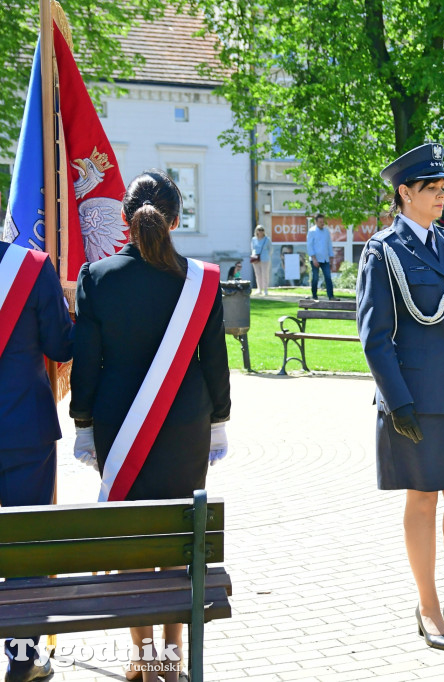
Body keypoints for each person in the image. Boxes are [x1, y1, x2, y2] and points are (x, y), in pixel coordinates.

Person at [69, 169, 231, 682]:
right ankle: (173, 656)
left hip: (122, 426)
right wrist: (220, 421)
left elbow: (86, 362)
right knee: (177, 540)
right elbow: (215, 362)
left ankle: (141, 658)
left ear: (125, 219)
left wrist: (83, 425)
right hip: (186, 427)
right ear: (177, 220)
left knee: (133, 541)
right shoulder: (201, 278)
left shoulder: (96, 278)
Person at [355, 143, 444, 651]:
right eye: (430, 189)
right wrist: (398, 401)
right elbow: (374, 336)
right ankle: (429, 604)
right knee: (423, 498)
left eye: (442, 188)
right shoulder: (384, 249)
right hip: (415, 398)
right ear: (404, 193)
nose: (440, 196)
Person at [0, 241, 72, 682]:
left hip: (27, 431)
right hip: (26, 429)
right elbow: (61, 346)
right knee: (26, 548)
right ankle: (23, 659)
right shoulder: (30, 266)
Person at [306, 214, 334, 300]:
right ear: (316, 222)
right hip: (316, 259)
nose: (322, 223)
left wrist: (331, 257)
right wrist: (314, 259)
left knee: (328, 277)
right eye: (320, 222)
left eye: (323, 221)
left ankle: (331, 296)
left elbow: (329, 244)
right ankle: (314, 295)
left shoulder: (326, 231)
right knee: (315, 278)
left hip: (325, 259)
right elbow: (310, 246)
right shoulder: (312, 231)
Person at [250, 224, 272, 295]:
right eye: (259, 230)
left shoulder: (267, 239)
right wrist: (254, 255)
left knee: (265, 274)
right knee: (258, 274)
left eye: (262, 230)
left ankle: (265, 289)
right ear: (256, 231)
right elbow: (253, 248)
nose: (261, 231)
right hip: (256, 259)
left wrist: (266, 255)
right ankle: (259, 289)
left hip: (265, 258)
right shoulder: (254, 239)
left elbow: (270, 249)